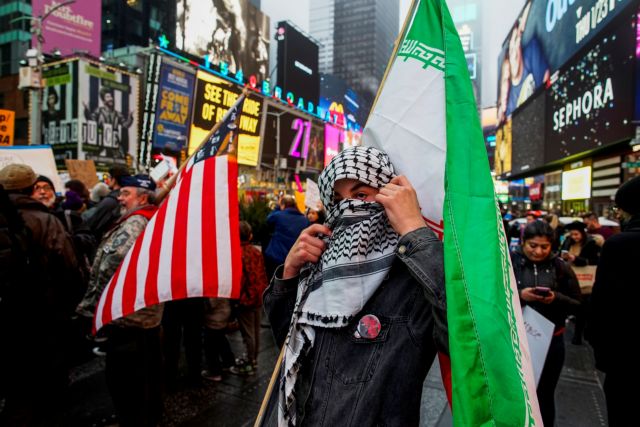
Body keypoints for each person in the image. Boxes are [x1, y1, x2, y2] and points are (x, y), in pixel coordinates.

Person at [261, 147, 448, 426]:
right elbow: (288, 345)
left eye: (361, 195)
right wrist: (289, 273)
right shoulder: (322, 268)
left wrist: (414, 230)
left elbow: (468, 338)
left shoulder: (413, 277)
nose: (347, 208)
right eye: (337, 200)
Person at [77, 174, 162, 426]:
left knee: (125, 380)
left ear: (142, 198)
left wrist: (97, 302)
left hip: (127, 316)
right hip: (143, 314)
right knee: (144, 378)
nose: (120, 198)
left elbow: (111, 263)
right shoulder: (150, 219)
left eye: (126, 193)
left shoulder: (136, 222)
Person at [0, 165, 82, 425]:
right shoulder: (45, 220)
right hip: (41, 311)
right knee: (43, 379)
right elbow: (69, 266)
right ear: (31, 187)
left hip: (6, 310)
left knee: (14, 380)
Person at [511, 221, 581, 427]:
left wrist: (556, 298)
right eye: (533, 245)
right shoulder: (509, 263)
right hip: (514, 339)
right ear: (523, 242)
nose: (538, 251)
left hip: (551, 342)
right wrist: (520, 295)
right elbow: (493, 297)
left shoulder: (561, 267)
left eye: (545, 246)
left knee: (544, 395)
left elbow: (578, 305)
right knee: (512, 392)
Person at [588, 176, 640, 426]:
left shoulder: (619, 245)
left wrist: (600, 351)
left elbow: (602, 304)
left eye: (620, 210)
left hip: (625, 359)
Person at [230, 221, 268, 375]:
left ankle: (249, 364)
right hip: (258, 296)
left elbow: (239, 280)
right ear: (250, 235)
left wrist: (236, 298)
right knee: (256, 331)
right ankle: (254, 360)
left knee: (248, 334)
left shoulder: (236, 253)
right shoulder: (255, 251)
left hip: (246, 298)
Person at [504, 1, 550, 116]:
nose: (514, 51)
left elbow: (546, 80)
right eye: (511, 49)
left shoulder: (531, 52)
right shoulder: (510, 104)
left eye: (516, 41)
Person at [263, 195, 309, 281]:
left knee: (273, 281)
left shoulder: (278, 216)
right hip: (295, 257)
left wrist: (277, 207)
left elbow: (268, 219)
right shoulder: (304, 220)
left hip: (276, 256)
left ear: (283, 205)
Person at [84, 164, 130, 241]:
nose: (107, 179)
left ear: (114, 179)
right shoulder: (128, 197)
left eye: (109, 177)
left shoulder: (110, 200)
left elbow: (92, 224)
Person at [83, 87, 134, 156]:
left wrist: (130, 118)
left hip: (113, 141)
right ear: (104, 101)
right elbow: (91, 120)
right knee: (92, 155)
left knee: (121, 157)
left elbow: (125, 125)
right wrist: (86, 111)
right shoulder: (99, 111)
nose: (111, 99)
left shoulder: (117, 114)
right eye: (108, 97)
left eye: (111, 96)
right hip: (101, 140)